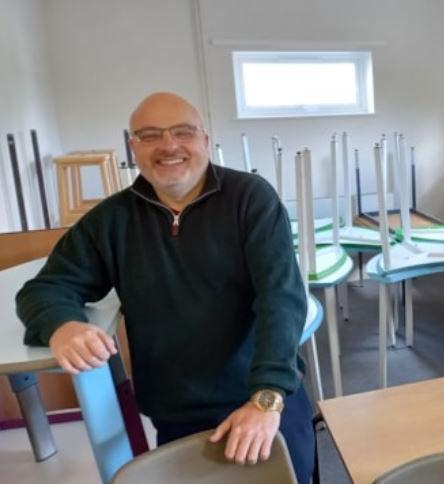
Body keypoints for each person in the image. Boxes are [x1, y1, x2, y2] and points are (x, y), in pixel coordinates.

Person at [16, 92, 315, 482]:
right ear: (133, 147)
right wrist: (63, 325)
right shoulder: (111, 220)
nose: (169, 145)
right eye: (151, 135)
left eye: (183, 132)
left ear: (205, 141)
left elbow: (281, 298)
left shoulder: (250, 200)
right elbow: (43, 289)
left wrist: (267, 398)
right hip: (178, 410)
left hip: (261, 394)